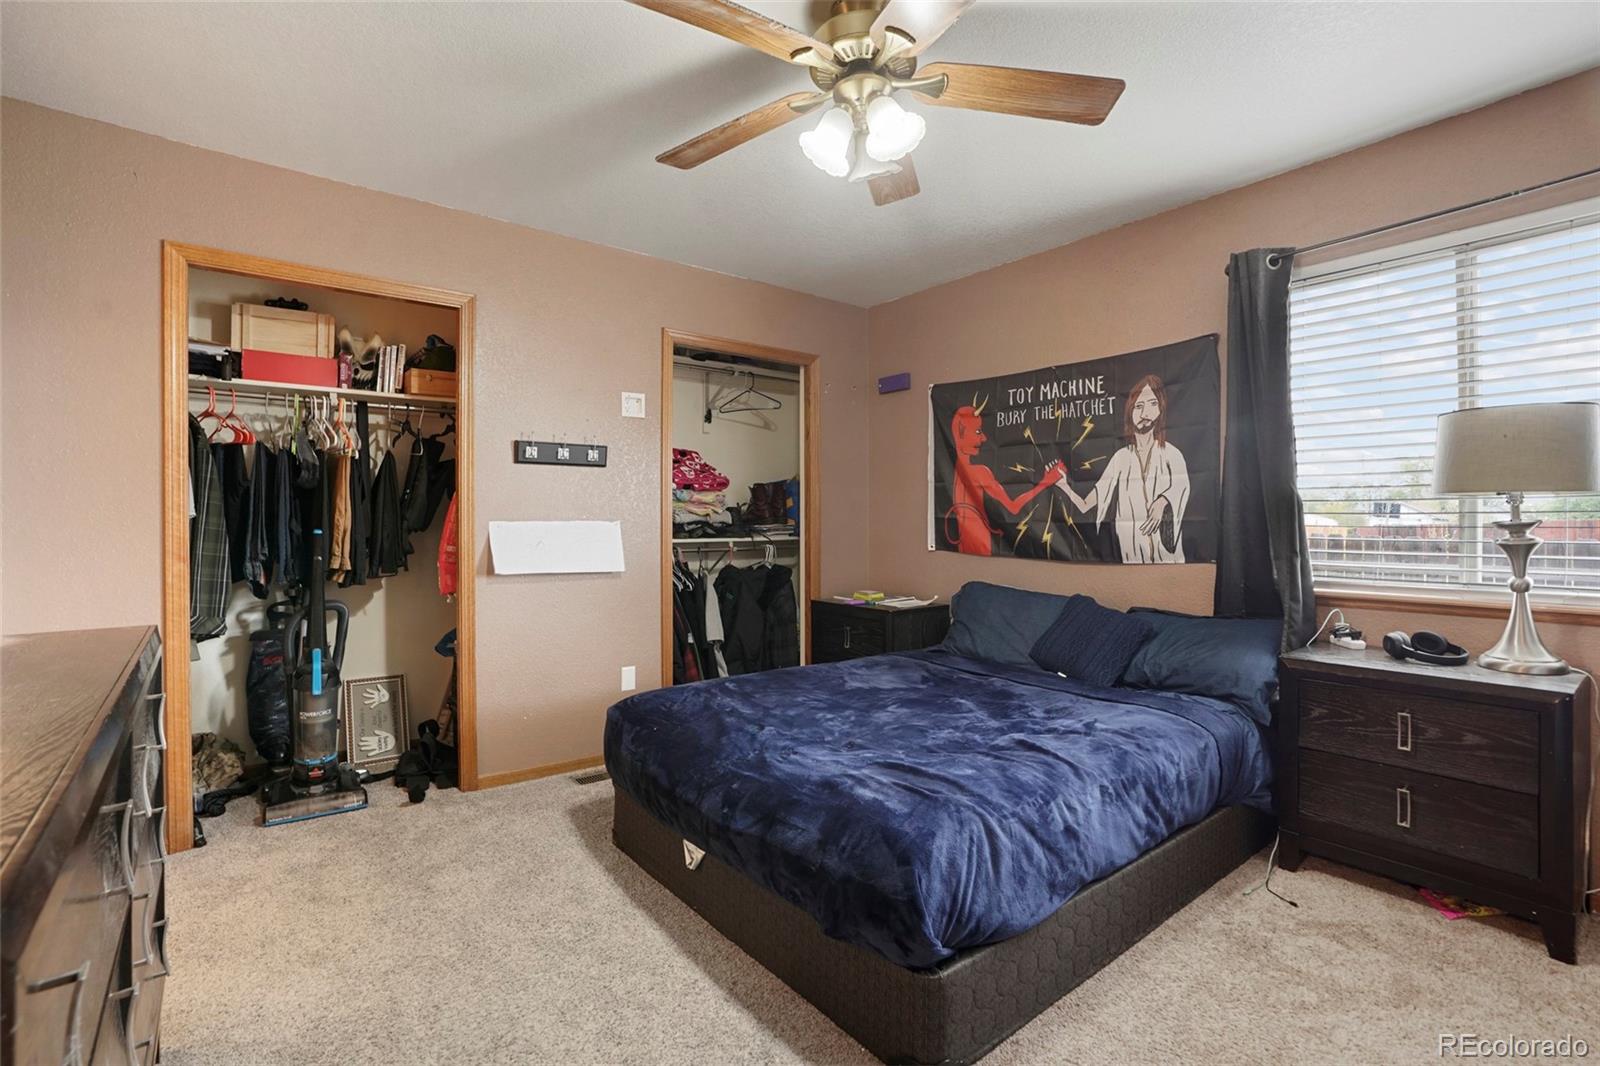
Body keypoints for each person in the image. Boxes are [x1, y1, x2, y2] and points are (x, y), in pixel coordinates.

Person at [1048, 374, 1190, 563]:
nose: (1145, 413)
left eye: (1152, 404)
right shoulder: (1121, 459)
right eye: (1139, 406)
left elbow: (1182, 485)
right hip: (1131, 557)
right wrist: (1064, 486)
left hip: (1168, 559)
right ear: (1130, 412)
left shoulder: (1172, 455)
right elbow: (1086, 505)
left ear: (1161, 409)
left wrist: (1163, 501)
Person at [945, 403, 1061, 556]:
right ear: (961, 434)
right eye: (978, 431)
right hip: (981, 546)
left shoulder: (955, 470)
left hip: (965, 546)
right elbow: (1013, 507)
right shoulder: (979, 472)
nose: (984, 438)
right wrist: (1046, 481)